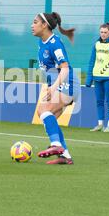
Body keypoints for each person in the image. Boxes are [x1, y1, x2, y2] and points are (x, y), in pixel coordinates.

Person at [31, 12, 80, 165]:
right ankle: (65, 156)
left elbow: (64, 69)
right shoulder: (42, 41)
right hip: (61, 84)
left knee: (43, 110)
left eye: (35, 22)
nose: (32, 25)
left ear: (44, 25)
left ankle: (56, 146)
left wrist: (52, 88)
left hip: (68, 83)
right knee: (48, 116)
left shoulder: (55, 43)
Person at [86, 22, 109, 132]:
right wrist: (89, 79)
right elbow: (92, 62)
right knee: (99, 101)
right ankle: (100, 124)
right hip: (97, 77)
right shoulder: (96, 44)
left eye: (105, 32)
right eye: (101, 32)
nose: (103, 34)